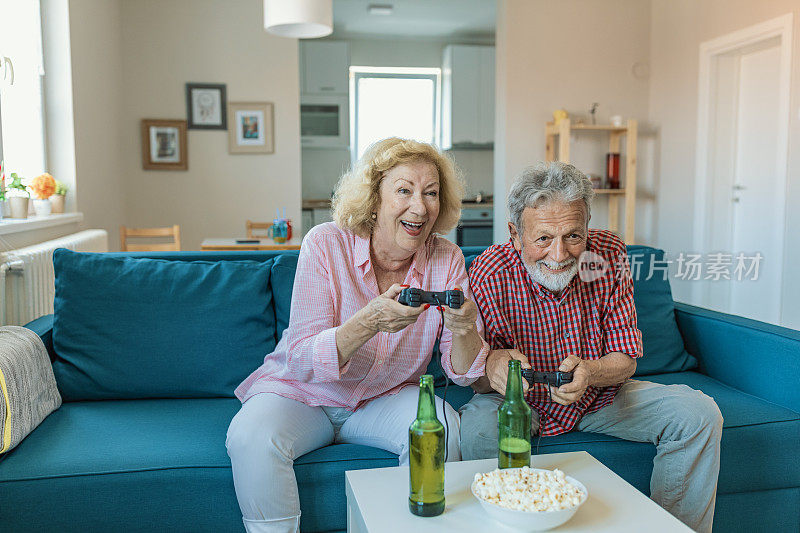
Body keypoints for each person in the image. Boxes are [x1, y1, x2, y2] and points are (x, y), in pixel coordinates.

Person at [227, 137, 489, 533]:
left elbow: (464, 373)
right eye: (404, 190)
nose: (420, 206)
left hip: (381, 398)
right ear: (374, 197)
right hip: (303, 396)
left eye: (431, 193)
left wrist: (466, 326)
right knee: (249, 436)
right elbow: (299, 358)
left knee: (441, 427)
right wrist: (368, 321)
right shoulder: (326, 243)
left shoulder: (447, 258)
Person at [460, 161, 723, 533]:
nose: (559, 254)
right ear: (515, 234)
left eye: (573, 236)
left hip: (598, 396)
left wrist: (590, 371)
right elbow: (477, 380)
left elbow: (625, 358)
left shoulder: (610, 253)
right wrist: (493, 365)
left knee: (697, 414)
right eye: (542, 239)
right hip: (517, 401)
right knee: (476, 432)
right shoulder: (487, 272)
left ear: (587, 227)